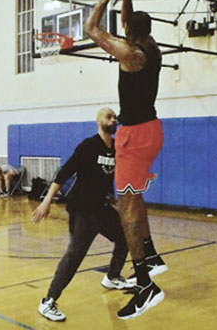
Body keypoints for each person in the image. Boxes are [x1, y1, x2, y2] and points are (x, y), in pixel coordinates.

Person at [85, 0, 167, 320]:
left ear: (129, 31)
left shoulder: (130, 55)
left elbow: (91, 28)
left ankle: (146, 284)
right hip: (153, 129)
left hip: (134, 136)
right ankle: (150, 253)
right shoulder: (151, 47)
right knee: (135, 196)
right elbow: (126, 23)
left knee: (127, 207)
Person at [32, 108, 133, 321]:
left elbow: (107, 178)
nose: (113, 119)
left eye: (115, 117)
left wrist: (113, 199)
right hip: (82, 209)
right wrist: (46, 202)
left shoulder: (114, 148)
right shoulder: (88, 146)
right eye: (109, 117)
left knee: (125, 236)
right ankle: (48, 301)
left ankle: (112, 276)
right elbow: (63, 173)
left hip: (101, 208)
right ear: (98, 121)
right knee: (75, 255)